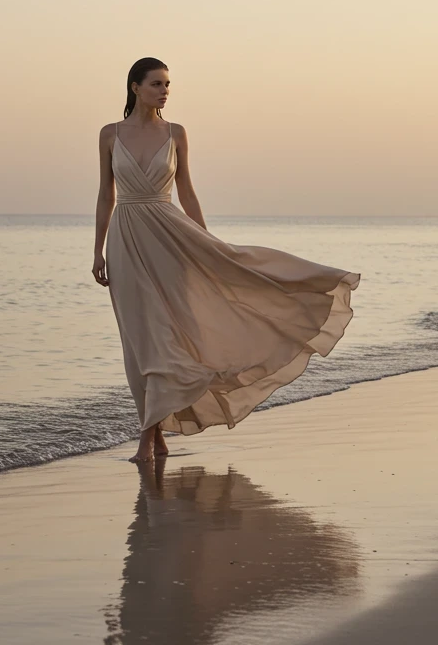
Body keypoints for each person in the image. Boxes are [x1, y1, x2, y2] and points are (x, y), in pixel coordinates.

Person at [92, 57, 360, 463]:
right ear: (135, 87)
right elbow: (105, 195)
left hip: (171, 238)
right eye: (156, 84)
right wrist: (97, 249)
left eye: (168, 84)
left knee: (167, 336)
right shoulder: (109, 134)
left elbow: (187, 191)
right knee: (139, 340)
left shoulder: (176, 133)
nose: (165, 90)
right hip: (126, 240)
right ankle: (157, 433)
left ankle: (147, 439)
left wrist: (206, 243)